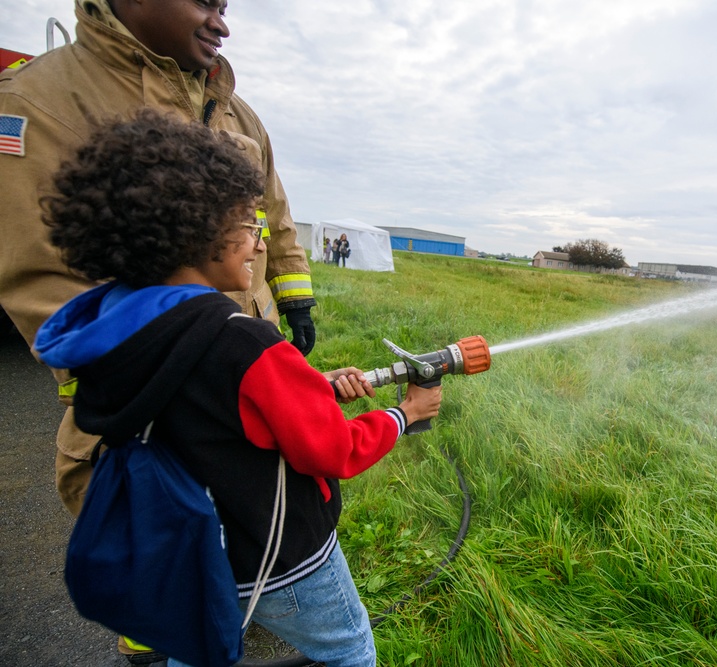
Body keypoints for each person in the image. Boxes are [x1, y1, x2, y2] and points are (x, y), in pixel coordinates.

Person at [34, 110, 443, 667]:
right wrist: (405, 412)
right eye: (250, 226)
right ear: (201, 231)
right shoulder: (245, 343)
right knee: (350, 649)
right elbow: (333, 451)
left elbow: (207, 406)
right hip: (280, 557)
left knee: (199, 651)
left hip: (189, 550)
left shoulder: (123, 328)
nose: (257, 246)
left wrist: (304, 390)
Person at [0, 0, 317, 522]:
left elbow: (274, 213)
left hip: (253, 379)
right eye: (203, 3)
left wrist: (295, 300)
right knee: (178, 578)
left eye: (223, 7)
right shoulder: (37, 99)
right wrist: (150, 382)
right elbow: (41, 276)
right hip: (156, 420)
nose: (221, 24)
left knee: (269, 553)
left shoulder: (238, 113)